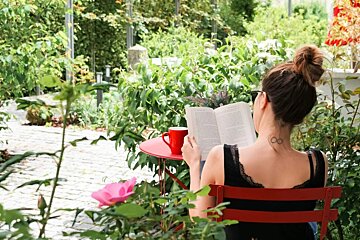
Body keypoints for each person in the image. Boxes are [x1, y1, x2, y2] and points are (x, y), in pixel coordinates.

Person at [181, 45, 328, 240]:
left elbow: (200, 217)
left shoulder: (222, 158)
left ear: (263, 100)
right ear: (300, 117)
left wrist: (194, 166)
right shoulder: (318, 163)